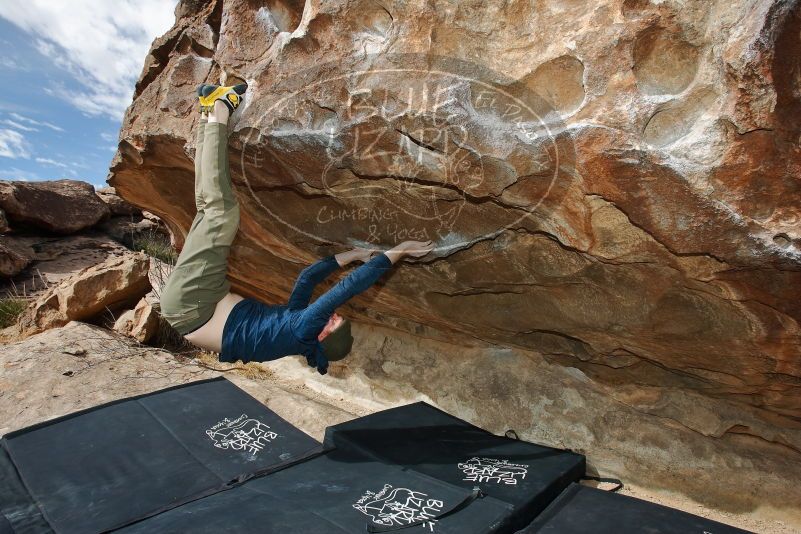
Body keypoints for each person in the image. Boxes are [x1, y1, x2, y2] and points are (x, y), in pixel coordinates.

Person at [158, 82, 434, 375]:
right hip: (201, 302)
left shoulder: (303, 330)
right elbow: (307, 279)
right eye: (337, 319)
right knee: (210, 210)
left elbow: (346, 289)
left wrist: (399, 251)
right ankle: (210, 117)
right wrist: (352, 255)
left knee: (220, 213)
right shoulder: (292, 323)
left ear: (322, 336)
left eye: (333, 323)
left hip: (194, 304)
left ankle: (222, 108)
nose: (334, 316)